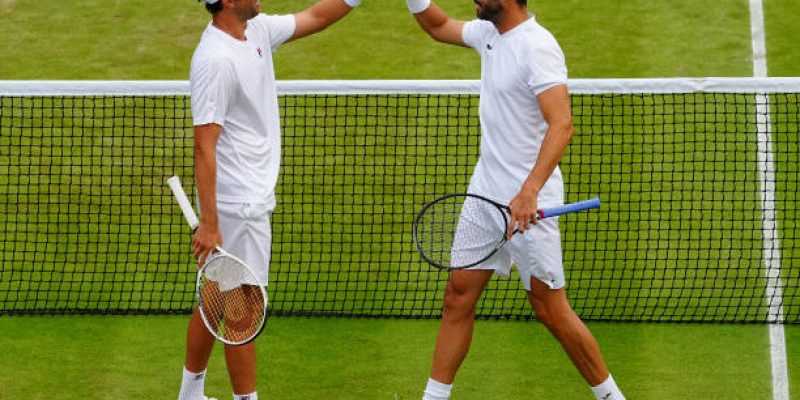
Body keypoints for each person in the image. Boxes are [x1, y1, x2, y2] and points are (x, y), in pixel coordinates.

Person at [403, 0, 626, 399]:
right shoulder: (489, 34)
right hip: (484, 193)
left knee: (549, 308)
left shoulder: (537, 47)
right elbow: (436, 25)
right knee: (458, 295)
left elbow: (562, 125)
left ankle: (611, 396)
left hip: (529, 202)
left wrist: (529, 191)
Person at [178, 0, 360, 399]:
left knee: (215, 294)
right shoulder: (215, 60)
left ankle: (189, 394)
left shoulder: (255, 30)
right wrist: (211, 223)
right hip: (240, 205)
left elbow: (316, 16)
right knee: (245, 307)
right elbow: (204, 146)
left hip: (241, 199)